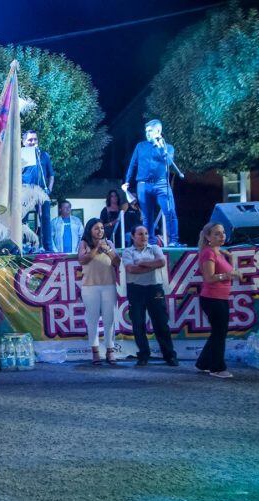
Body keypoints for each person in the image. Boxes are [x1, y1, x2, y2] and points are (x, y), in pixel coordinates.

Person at [122, 225, 178, 367]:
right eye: (140, 234)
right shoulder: (128, 251)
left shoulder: (155, 248)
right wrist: (151, 266)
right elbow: (131, 269)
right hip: (136, 290)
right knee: (138, 324)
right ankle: (143, 355)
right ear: (133, 236)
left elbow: (161, 262)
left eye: (146, 234)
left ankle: (169, 355)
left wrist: (142, 264)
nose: (144, 237)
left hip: (155, 289)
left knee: (161, 323)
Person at [122, 119, 182, 246]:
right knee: (147, 216)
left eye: (150, 131)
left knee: (170, 212)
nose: (147, 133)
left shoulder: (168, 148)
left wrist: (159, 145)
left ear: (158, 131)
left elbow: (168, 162)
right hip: (143, 185)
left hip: (161, 184)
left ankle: (173, 241)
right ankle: (150, 242)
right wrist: (127, 181)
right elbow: (133, 164)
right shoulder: (140, 146)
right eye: (146, 131)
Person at [196, 223, 240, 378]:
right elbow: (209, 278)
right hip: (212, 298)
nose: (222, 236)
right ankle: (217, 368)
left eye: (222, 233)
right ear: (208, 237)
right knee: (219, 334)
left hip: (219, 298)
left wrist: (230, 258)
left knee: (217, 333)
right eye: (216, 234)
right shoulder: (209, 253)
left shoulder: (217, 252)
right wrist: (228, 275)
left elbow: (227, 269)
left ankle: (203, 363)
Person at [78, 218, 121, 365]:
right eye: (96, 228)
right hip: (90, 287)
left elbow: (117, 262)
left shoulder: (109, 244)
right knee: (92, 320)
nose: (100, 231)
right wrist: (96, 249)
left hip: (109, 286)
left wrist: (108, 250)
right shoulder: (84, 244)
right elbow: (82, 260)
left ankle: (110, 351)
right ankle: (95, 352)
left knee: (109, 319)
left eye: (102, 228)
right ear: (90, 230)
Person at [21, 130, 54, 252]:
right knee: (22, 219)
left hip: (42, 192)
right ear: (23, 142)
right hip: (26, 192)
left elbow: (51, 175)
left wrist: (49, 188)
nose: (33, 142)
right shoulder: (20, 155)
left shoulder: (43, 155)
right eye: (30, 140)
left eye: (35, 139)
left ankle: (47, 248)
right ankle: (23, 245)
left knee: (45, 218)